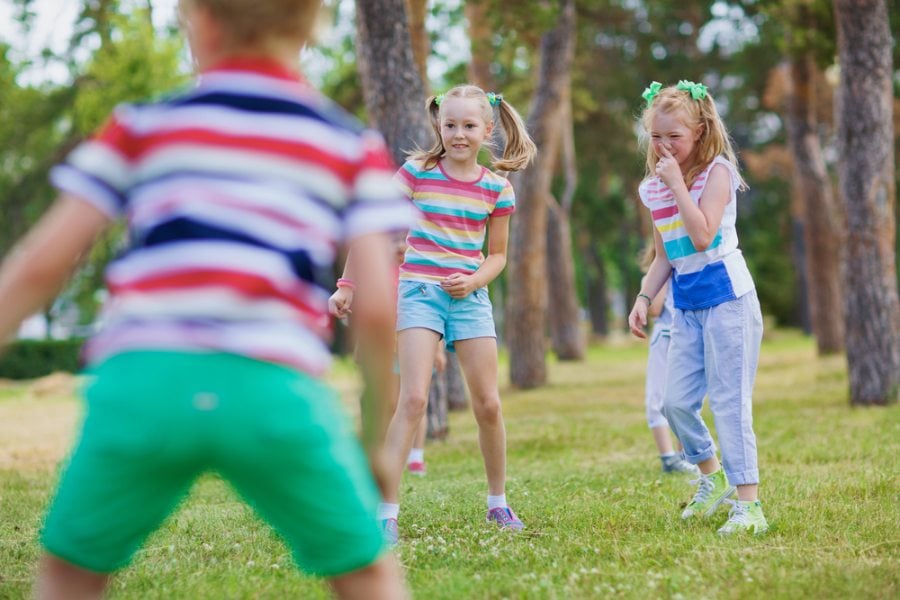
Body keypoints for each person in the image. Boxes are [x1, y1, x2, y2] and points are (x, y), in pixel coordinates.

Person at [0, 1, 414, 598]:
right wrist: (374, 442)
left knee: (71, 569)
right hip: (272, 390)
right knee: (365, 572)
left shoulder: (141, 123)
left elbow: (41, 264)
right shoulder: (347, 142)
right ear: (308, 29)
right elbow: (376, 309)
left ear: (202, 22)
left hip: (144, 383)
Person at [330, 84, 536, 544]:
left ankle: (498, 504)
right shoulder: (417, 173)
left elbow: (497, 256)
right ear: (438, 127)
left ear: (487, 129)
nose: (458, 134)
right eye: (450, 125)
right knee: (414, 398)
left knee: (488, 403)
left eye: (468, 126)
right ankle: (385, 512)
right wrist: (348, 285)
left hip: (470, 297)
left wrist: (474, 281)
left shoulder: (496, 188)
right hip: (419, 292)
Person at [628, 80, 768, 535]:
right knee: (673, 403)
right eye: (657, 136)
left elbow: (704, 235)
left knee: (729, 402)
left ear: (701, 132)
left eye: (675, 136)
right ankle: (713, 476)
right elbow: (666, 254)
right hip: (686, 306)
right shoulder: (654, 188)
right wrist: (644, 297)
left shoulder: (719, 172)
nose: (665, 146)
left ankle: (749, 506)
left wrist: (677, 186)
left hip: (729, 300)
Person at [638, 244, 699, 476]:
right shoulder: (655, 279)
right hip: (665, 338)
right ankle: (669, 457)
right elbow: (655, 310)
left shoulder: (684, 272)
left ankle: (686, 455)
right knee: (658, 398)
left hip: (679, 338)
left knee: (684, 397)